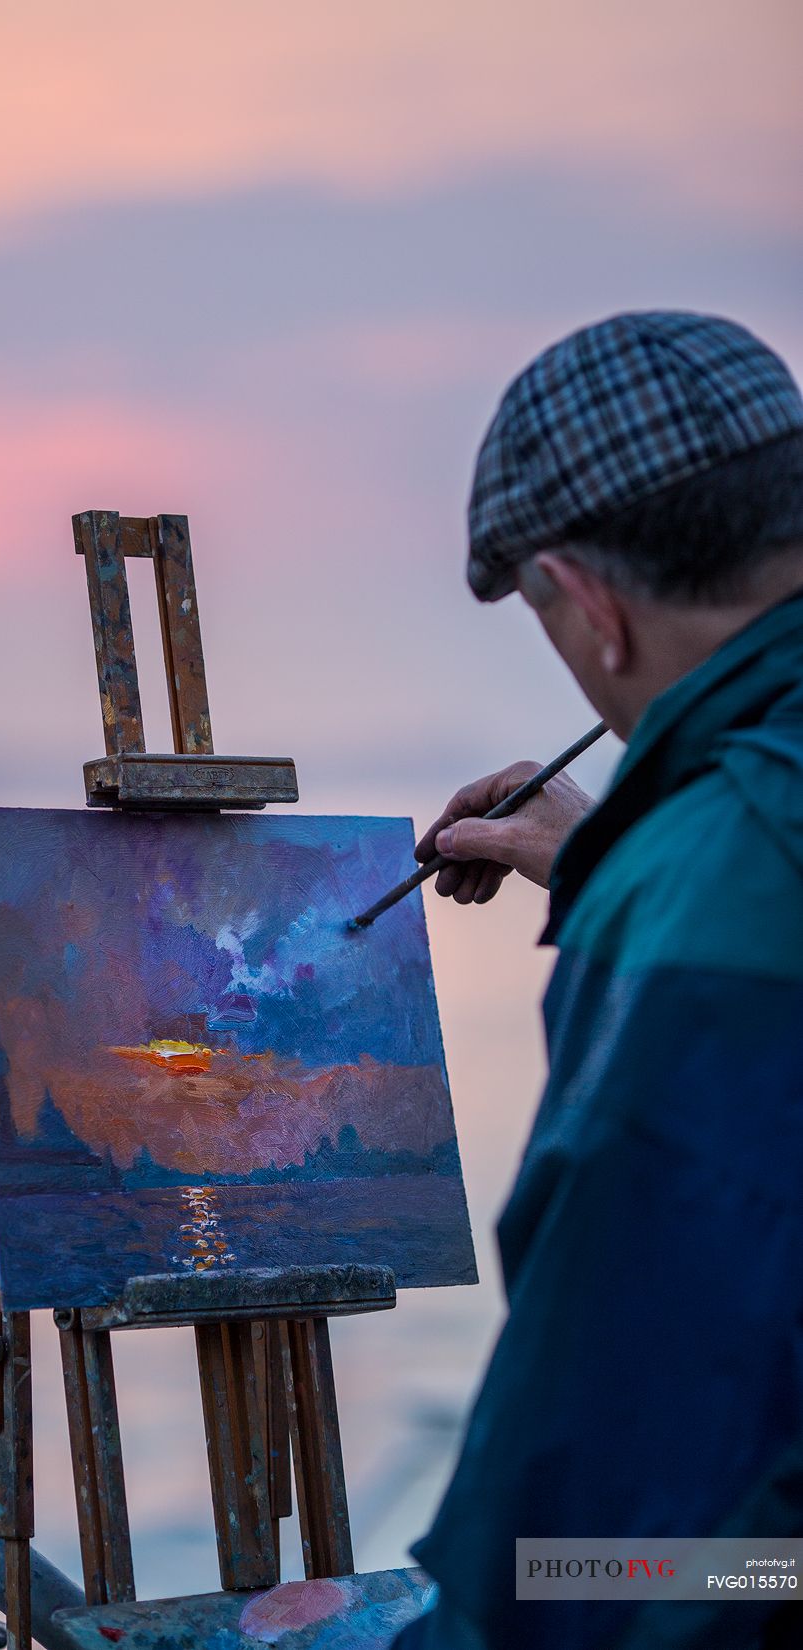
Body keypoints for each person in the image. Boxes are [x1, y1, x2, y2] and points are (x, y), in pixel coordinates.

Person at [396, 312, 803, 1650]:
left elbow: (594, 1495)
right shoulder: (725, 855)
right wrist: (619, 861)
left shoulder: (712, 885)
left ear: (592, 602)